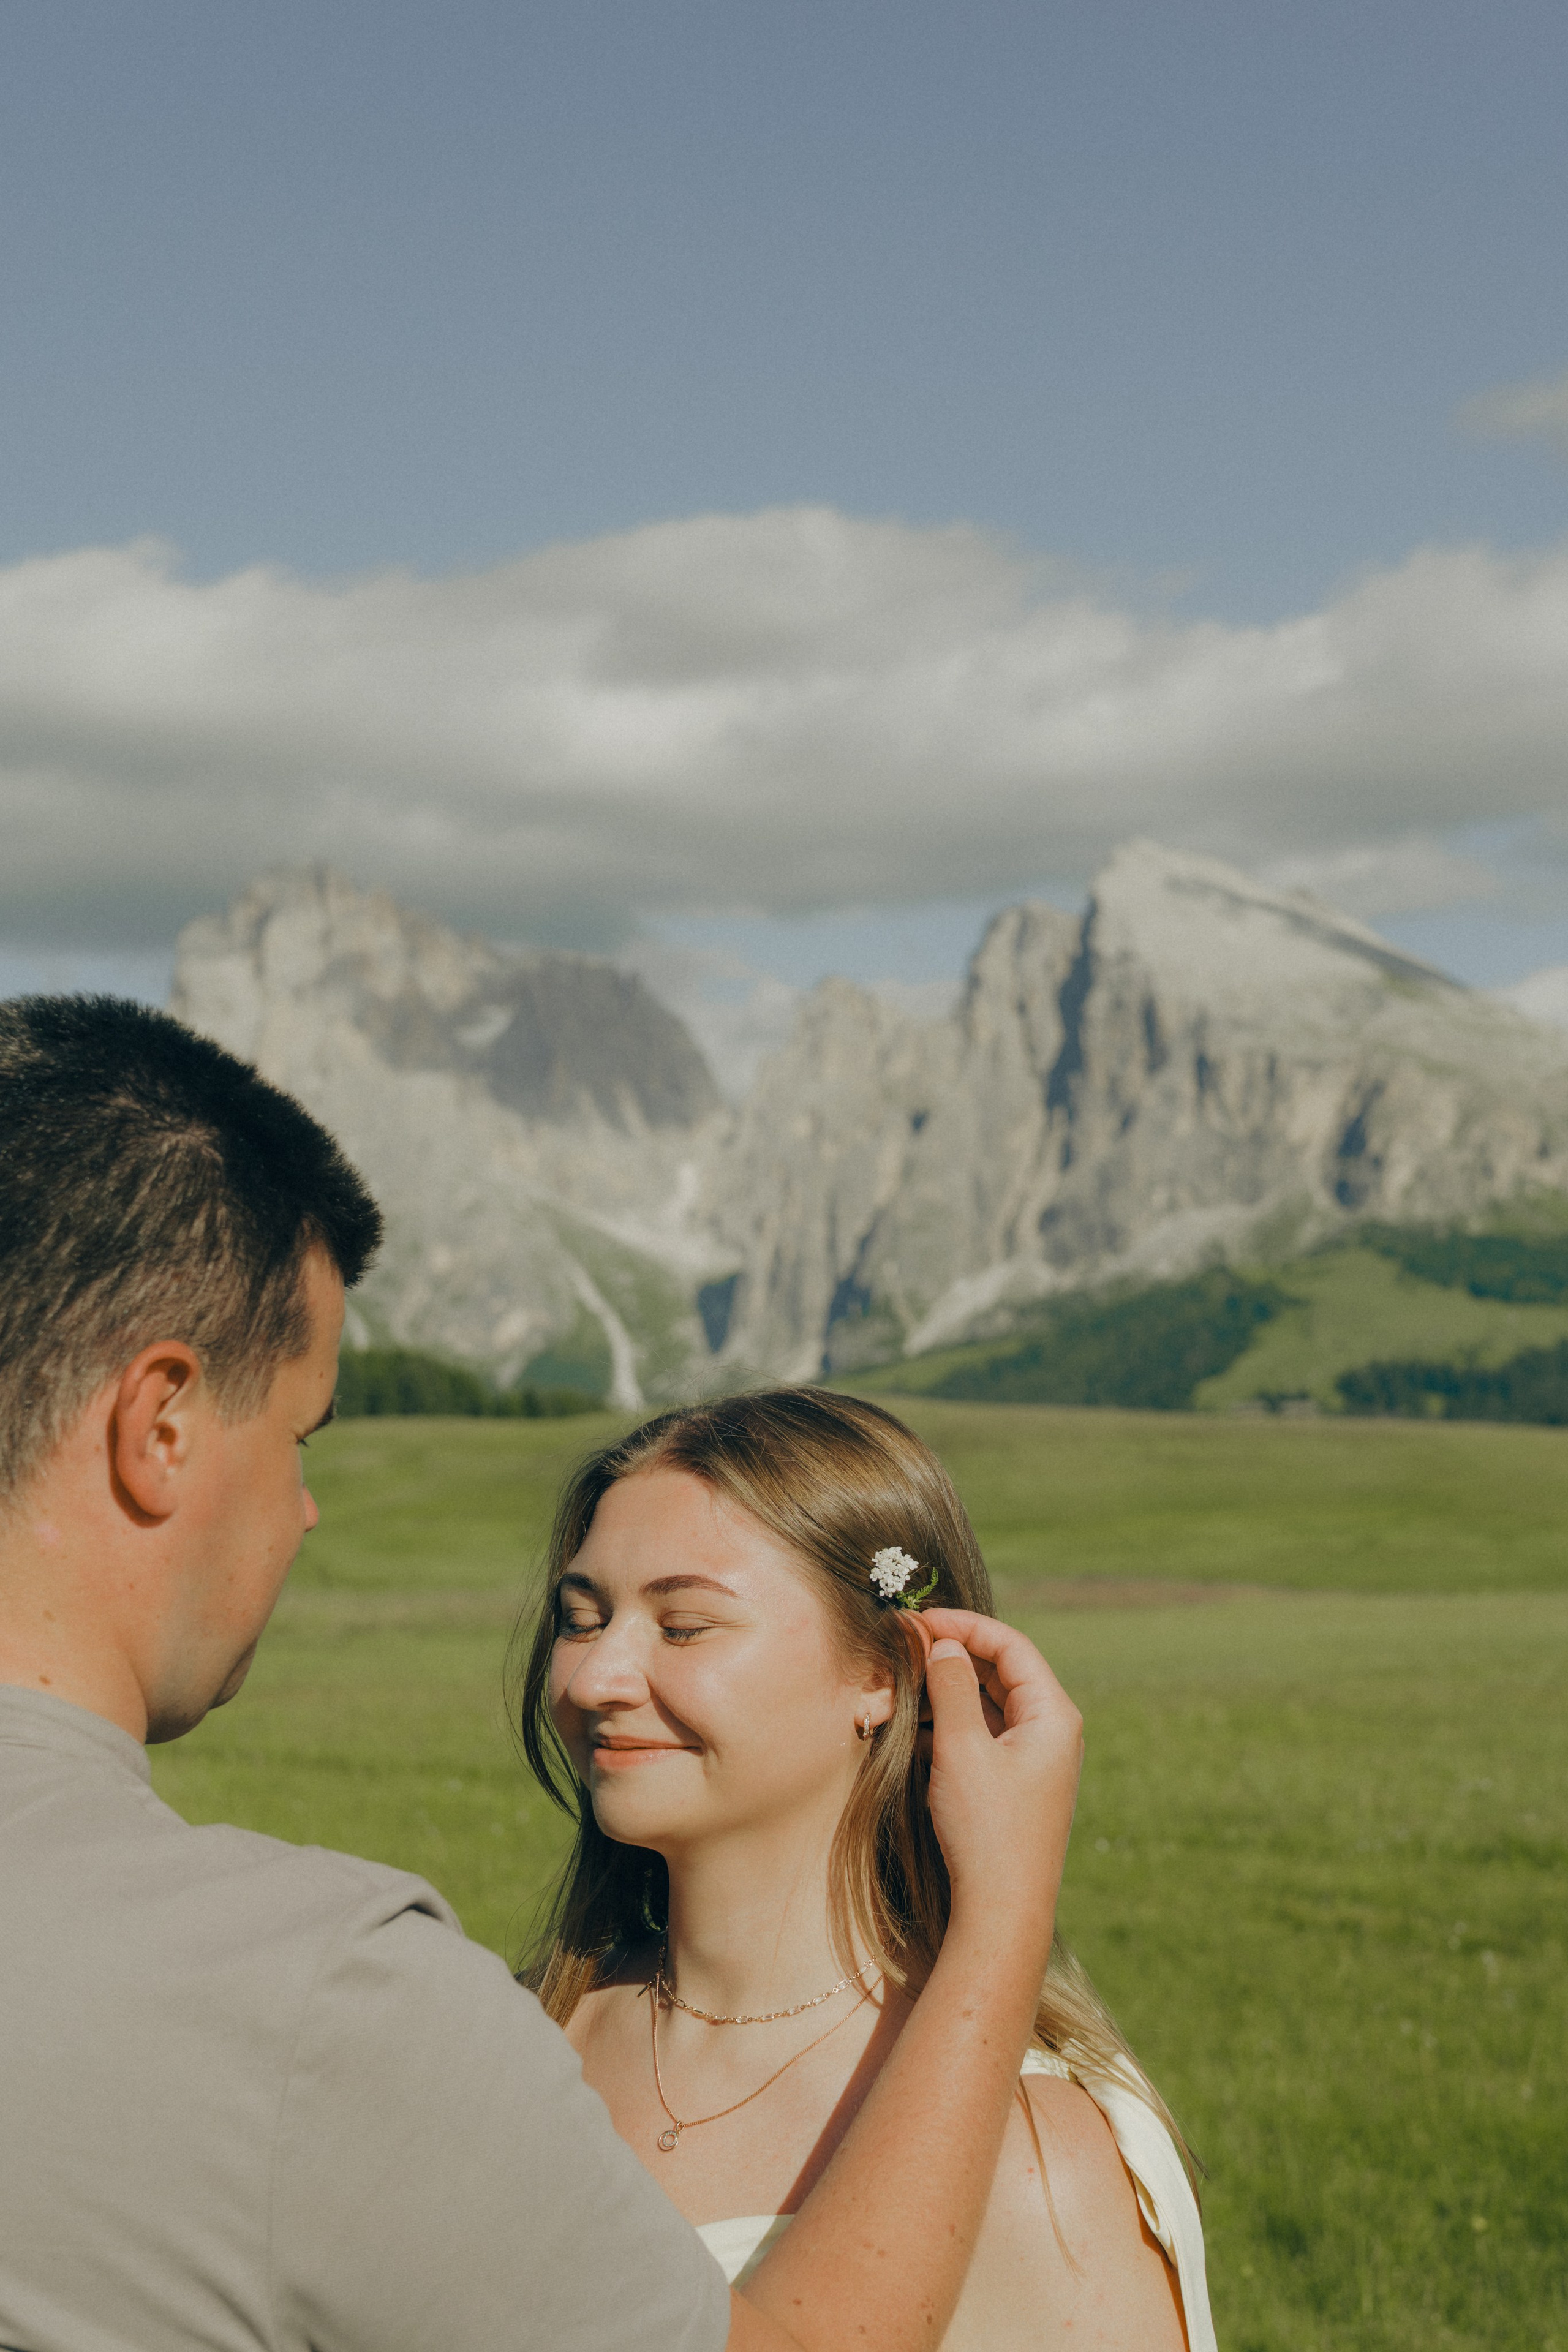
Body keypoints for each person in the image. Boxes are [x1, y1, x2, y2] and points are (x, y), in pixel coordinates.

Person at [0, 993, 1083, 2352]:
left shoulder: (1056, 2156)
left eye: (686, 1625)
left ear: (884, 1669)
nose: (305, 1513)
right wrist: (1003, 1910)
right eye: (300, 1439)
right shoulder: (336, 2015)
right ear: (159, 1427)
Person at [514, 1389, 1217, 2352]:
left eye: (684, 1627)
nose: (595, 1679)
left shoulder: (1037, 2165)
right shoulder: (517, 2036)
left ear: (883, 1673)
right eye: (582, 1619)